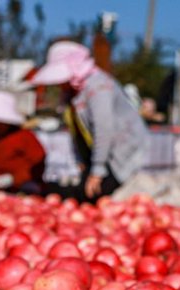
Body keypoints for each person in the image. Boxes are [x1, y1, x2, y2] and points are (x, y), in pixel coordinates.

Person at [28, 40, 149, 202]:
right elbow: (76, 128)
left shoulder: (99, 87)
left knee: (91, 195)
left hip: (121, 152)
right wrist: (81, 158)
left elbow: (103, 129)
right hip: (98, 154)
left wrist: (97, 170)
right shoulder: (71, 93)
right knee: (81, 192)